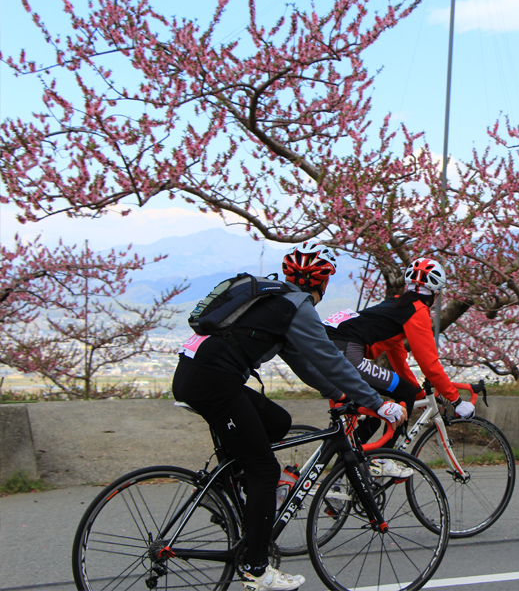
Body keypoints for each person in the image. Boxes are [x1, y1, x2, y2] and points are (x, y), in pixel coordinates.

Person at [172, 241, 407, 591]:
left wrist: (339, 395)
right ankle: (256, 569)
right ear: (322, 281)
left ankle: (228, 489)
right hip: (214, 381)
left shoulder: (275, 301)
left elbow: (301, 361)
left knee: (278, 422)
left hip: (195, 371)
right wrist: (376, 402)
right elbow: (330, 359)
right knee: (265, 470)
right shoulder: (299, 307)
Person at [323, 258, 475, 463]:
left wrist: (420, 394)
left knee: (373, 416)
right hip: (348, 352)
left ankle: (346, 470)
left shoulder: (396, 306)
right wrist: (456, 400)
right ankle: (385, 460)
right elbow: (429, 364)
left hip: (327, 347)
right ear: (436, 292)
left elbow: (398, 361)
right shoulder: (417, 311)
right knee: (404, 392)